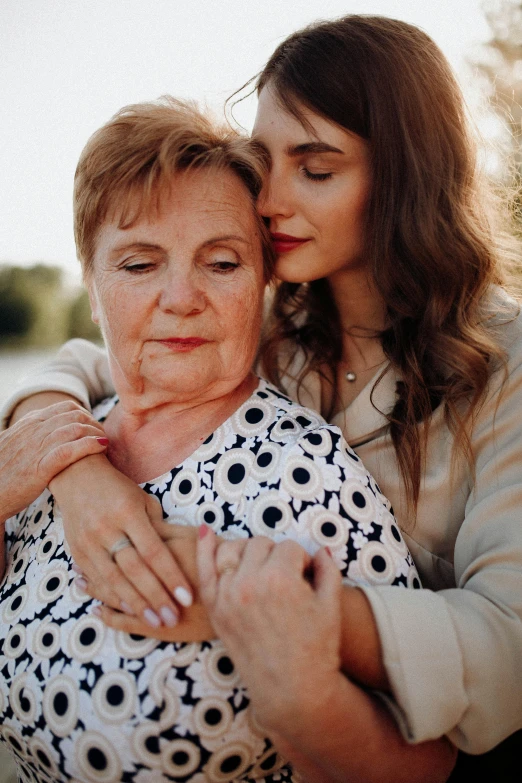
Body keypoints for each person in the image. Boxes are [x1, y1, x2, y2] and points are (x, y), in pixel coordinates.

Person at [3, 11, 521, 773]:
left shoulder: (503, 362)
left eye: (315, 169)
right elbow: (96, 360)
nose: (268, 198)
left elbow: (509, 647)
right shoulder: (275, 319)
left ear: (408, 176)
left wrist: (265, 608)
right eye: (264, 157)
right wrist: (78, 474)